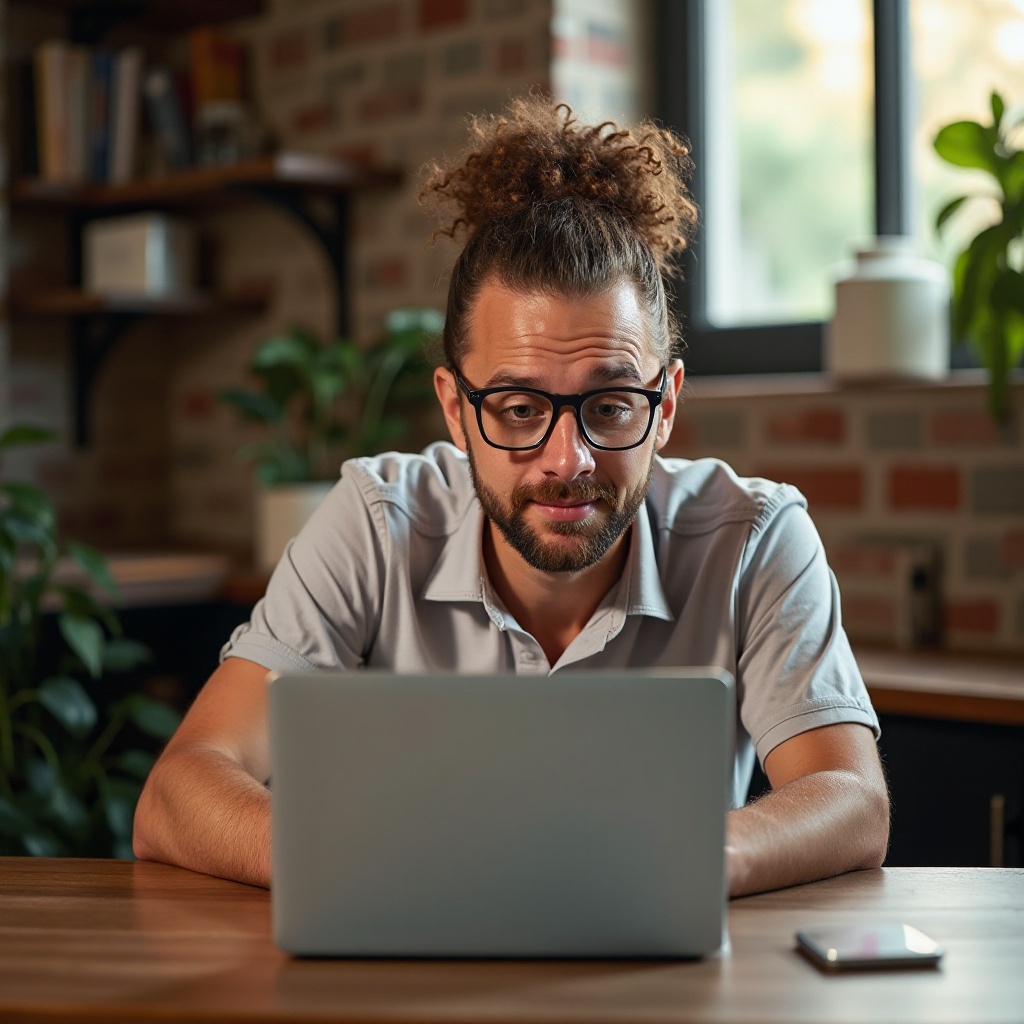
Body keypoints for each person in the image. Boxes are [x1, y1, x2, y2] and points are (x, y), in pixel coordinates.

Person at [133, 96, 889, 895]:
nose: (568, 460)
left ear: (664, 406)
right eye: (521, 409)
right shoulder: (375, 521)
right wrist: (350, 860)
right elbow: (178, 792)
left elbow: (850, 800)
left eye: (609, 407)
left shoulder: (757, 539)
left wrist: (691, 857)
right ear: (457, 409)